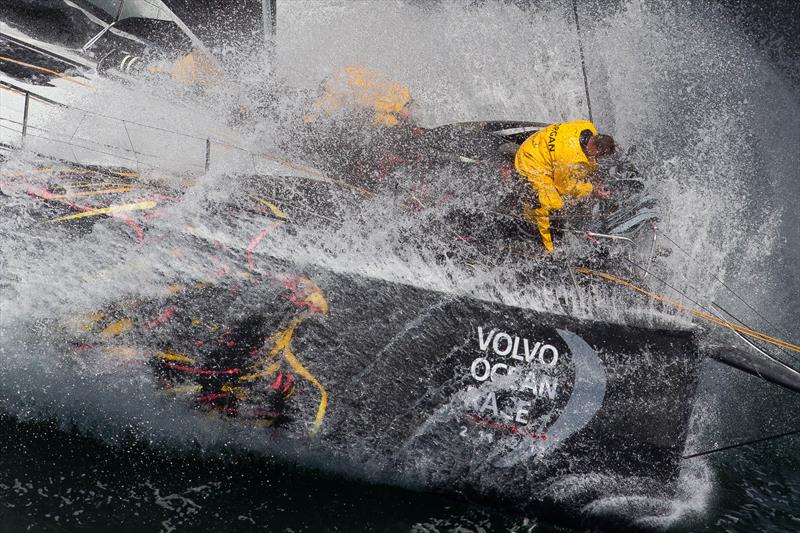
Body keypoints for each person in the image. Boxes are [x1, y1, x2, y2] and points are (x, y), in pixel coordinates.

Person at [514, 120, 616, 252]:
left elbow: (586, 164)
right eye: (600, 156)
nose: (599, 159)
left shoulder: (587, 126)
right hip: (532, 163)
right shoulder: (569, 156)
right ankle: (549, 251)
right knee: (552, 206)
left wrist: (593, 178)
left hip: (541, 144)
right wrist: (591, 189)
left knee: (579, 176)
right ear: (596, 148)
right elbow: (565, 187)